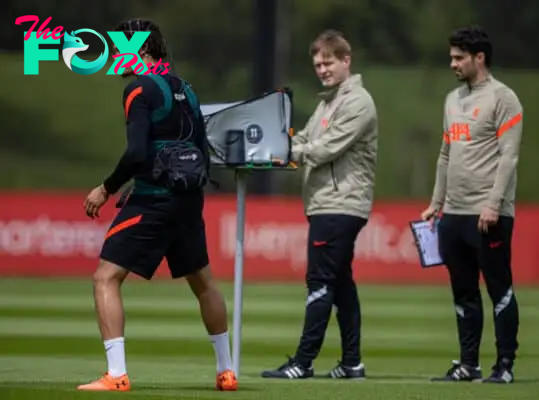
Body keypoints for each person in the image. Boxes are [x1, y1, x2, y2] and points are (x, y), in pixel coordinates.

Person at [78, 18, 237, 392]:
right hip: (189, 200)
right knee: (204, 284)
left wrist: (106, 188)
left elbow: (135, 153)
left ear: (142, 51)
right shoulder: (189, 90)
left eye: (121, 48)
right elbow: (201, 150)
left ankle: (116, 375)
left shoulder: (139, 91)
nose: (116, 55)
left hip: (153, 201)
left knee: (105, 277)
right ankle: (226, 372)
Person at [261, 29, 378, 380]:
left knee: (320, 280)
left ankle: (303, 361)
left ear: (346, 60)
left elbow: (326, 148)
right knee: (340, 283)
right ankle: (352, 362)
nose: (322, 70)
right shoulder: (328, 102)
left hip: (341, 204)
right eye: (317, 65)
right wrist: (281, 146)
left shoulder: (358, 101)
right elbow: (308, 139)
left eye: (328, 62)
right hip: (327, 202)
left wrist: (282, 152)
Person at [420, 25, 523, 384]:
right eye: (451, 57)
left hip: (487, 213)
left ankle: (505, 365)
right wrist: (436, 203)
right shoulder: (452, 100)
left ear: (479, 57)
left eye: (459, 57)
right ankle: (469, 364)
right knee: (463, 291)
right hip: (454, 213)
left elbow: (509, 158)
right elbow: (445, 155)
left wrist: (494, 204)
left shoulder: (503, 98)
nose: (453, 64)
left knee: (499, 289)